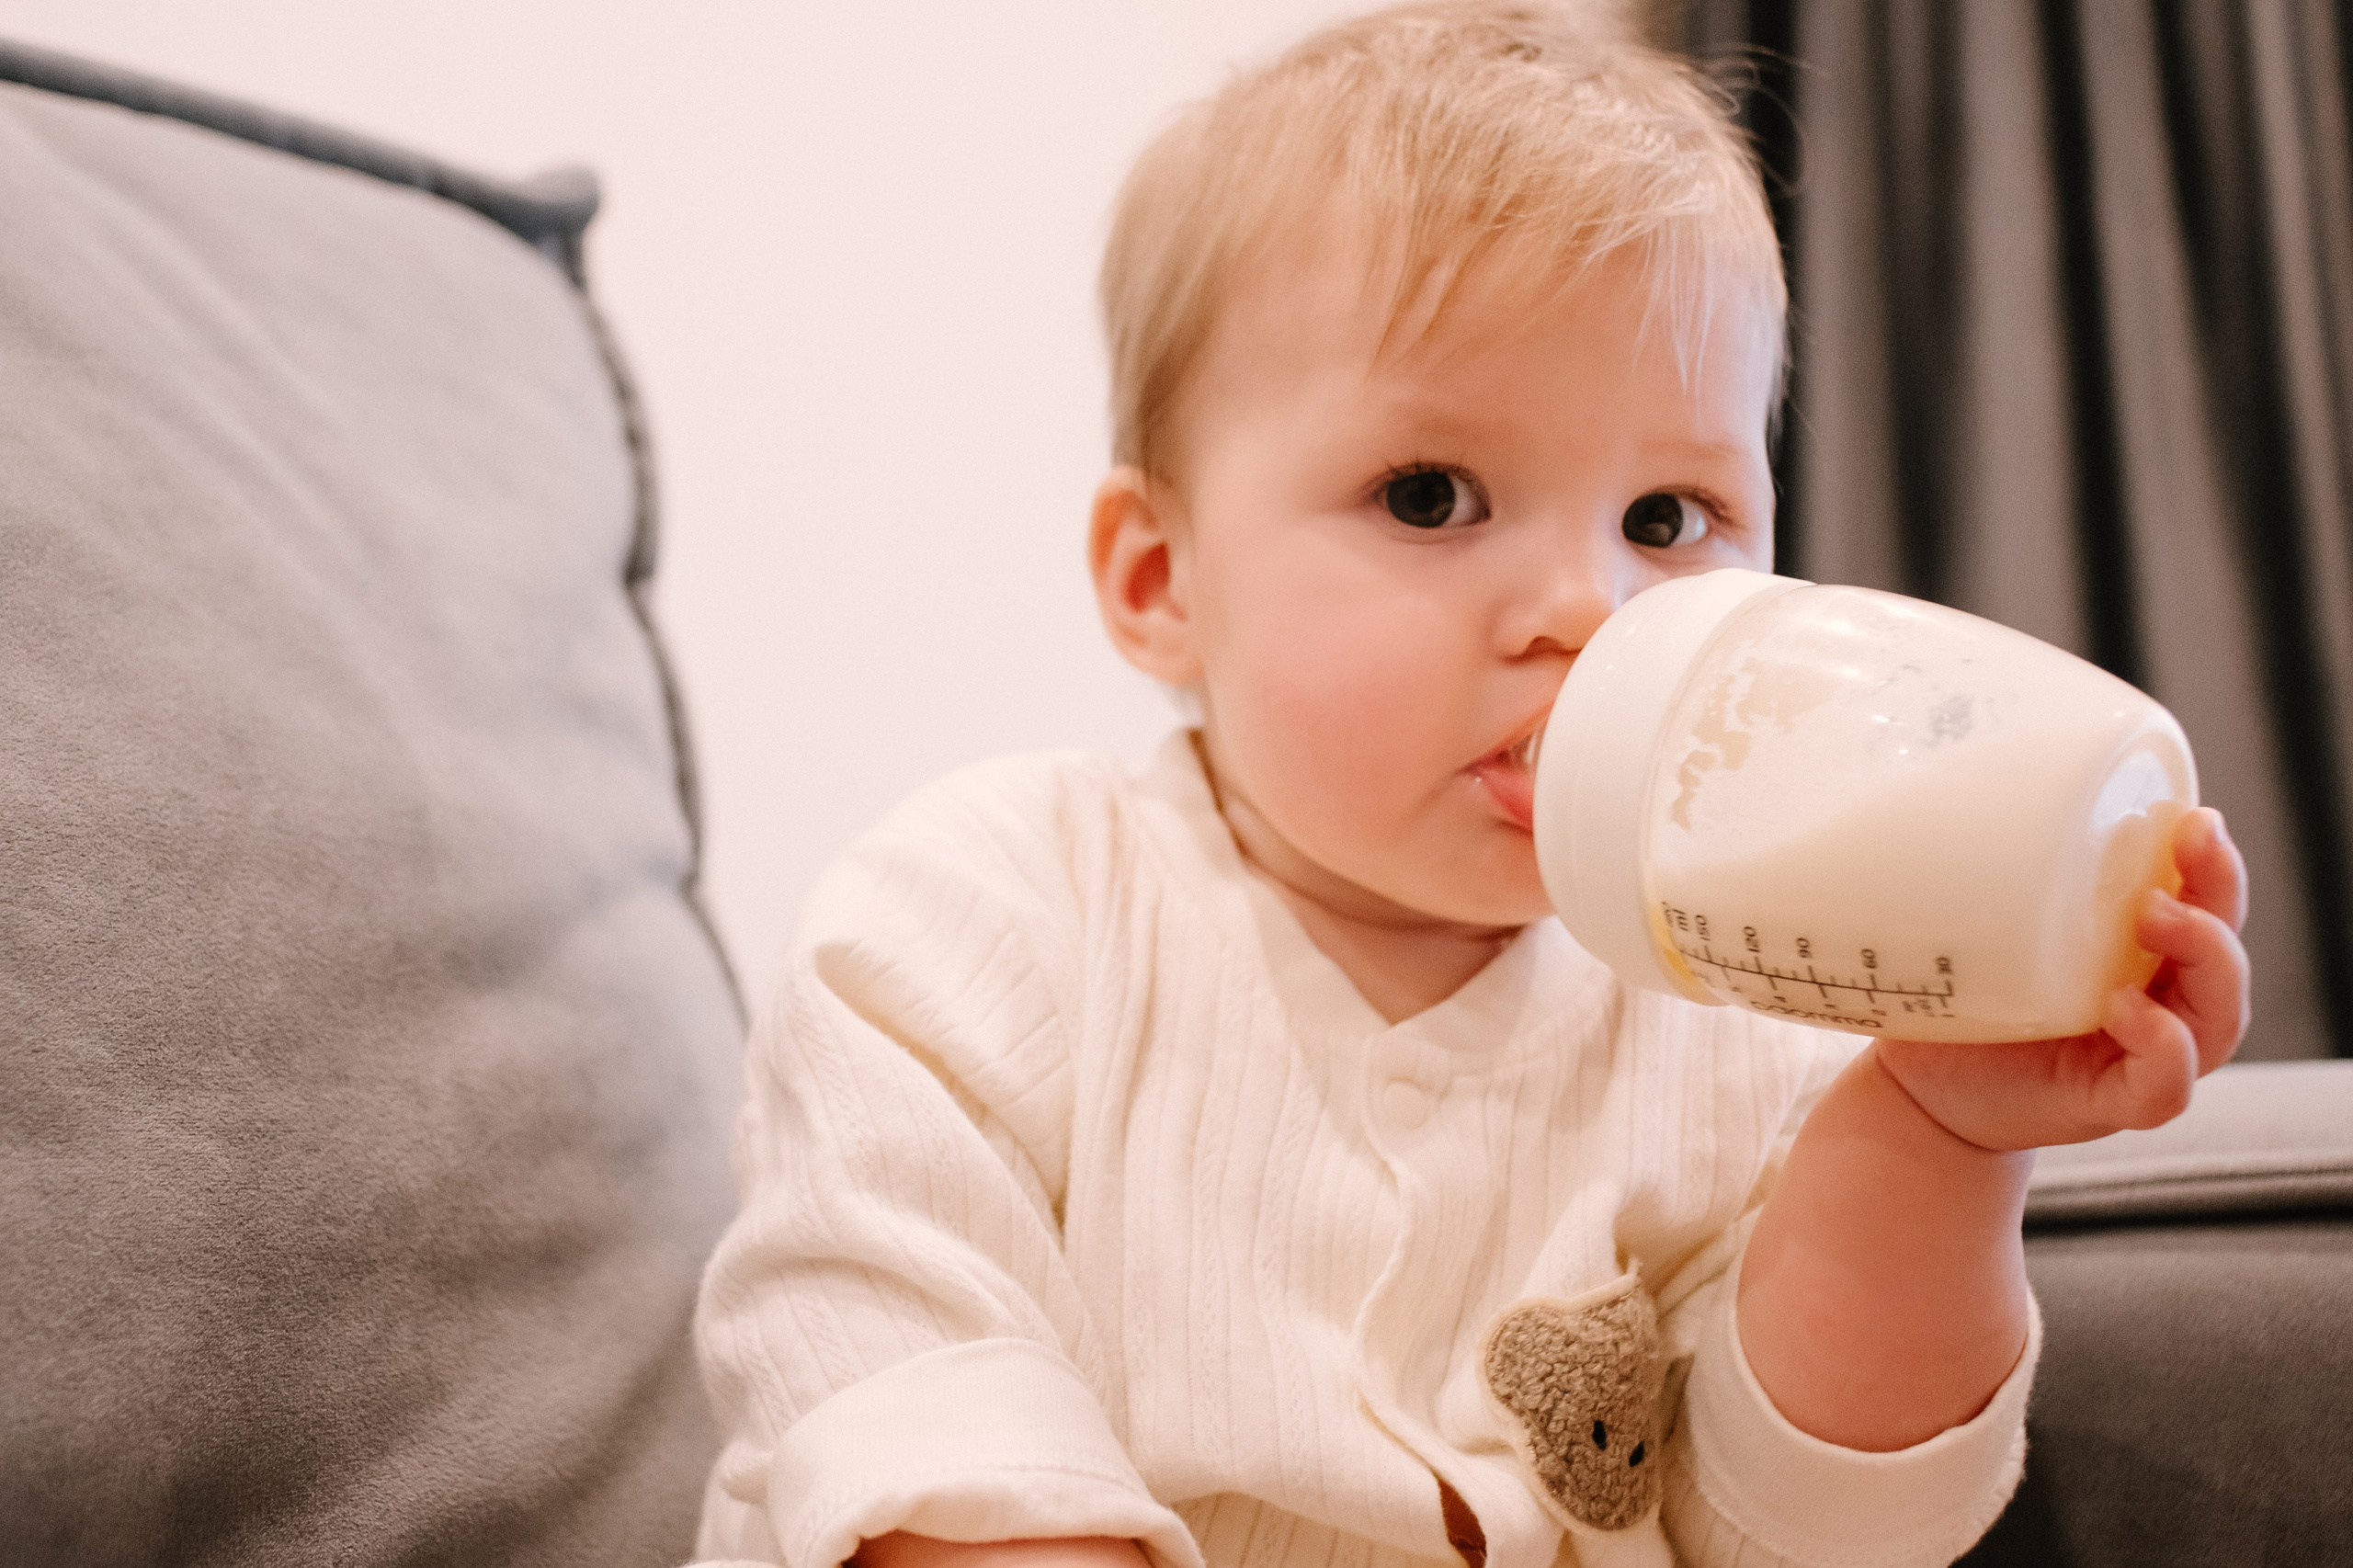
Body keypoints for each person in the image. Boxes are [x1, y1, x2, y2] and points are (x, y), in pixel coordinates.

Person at [690, 5, 2251, 1566]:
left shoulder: (1752, 1014)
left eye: (1666, 515)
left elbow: (1818, 1525)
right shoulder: (970, 929)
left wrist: (1934, 1135)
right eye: (1431, 497)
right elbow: (904, 1417)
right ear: (1163, 576)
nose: (1589, 607)